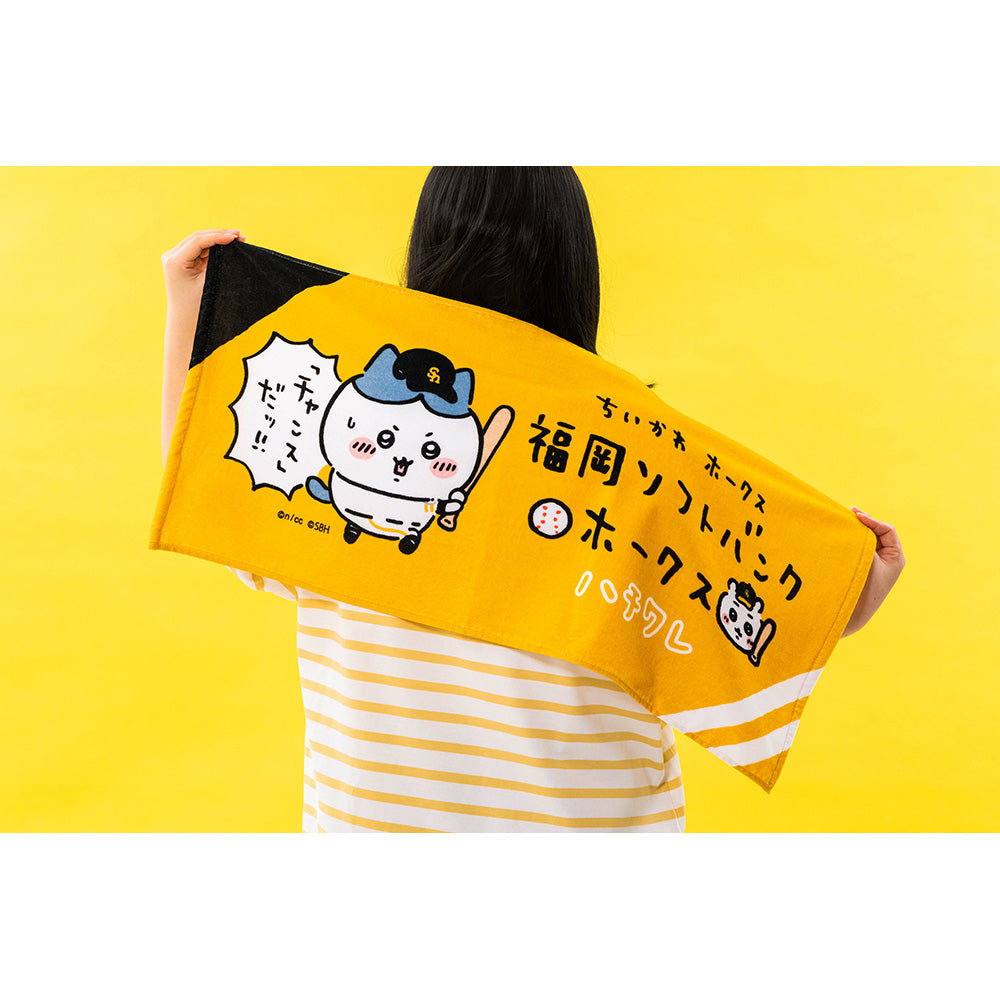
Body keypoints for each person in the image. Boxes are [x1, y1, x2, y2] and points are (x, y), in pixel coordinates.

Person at [160, 166, 905, 832]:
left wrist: (188, 304)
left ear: (428, 249)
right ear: (574, 268)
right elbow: (748, 624)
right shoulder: (637, 456)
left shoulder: (354, 430)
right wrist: (857, 594)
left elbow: (202, 488)